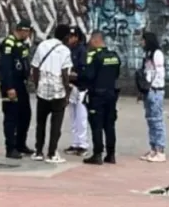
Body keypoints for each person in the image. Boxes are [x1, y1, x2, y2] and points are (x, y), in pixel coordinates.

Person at [31, 25, 74, 164]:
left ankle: (38, 152)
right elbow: (65, 74)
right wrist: (67, 92)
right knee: (56, 125)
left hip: (43, 89)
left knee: (41, 123)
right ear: (66, 36)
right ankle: (51, 153)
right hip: (58, 92)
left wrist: (37, 85)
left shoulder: (43, 45)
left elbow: (35, 68)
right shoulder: (65, 50)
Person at [77, 32, 121, 165]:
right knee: (110, 125)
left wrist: (78, 80)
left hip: (97, 95)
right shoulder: (114, 56)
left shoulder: (94, 56)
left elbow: (88, 76)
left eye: (91, 40)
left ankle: (97, 155)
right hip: (111, 94)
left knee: (96, 125)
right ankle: (111, 154)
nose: (89, 42)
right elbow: (116, 74)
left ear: (96, 40)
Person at [0, 20, 33, 160]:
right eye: (27, 32)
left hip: (21, 84)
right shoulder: (9, 43)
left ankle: (20, 144)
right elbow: (6, 68)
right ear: (21, 30)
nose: (28, 34)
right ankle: (10, 148)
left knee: (25, 114)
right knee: (11, 117)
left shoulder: (23, 43)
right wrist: (9, 87)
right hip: (11, 85)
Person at [140, 31, 167, 163]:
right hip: (148, 89)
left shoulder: (157, 54)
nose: (141, 43)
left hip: (155, 90)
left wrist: (152, 86)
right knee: (150, 120)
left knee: (157, 120)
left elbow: (159, 73)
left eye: (143, 40)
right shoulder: (147, 54)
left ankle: (160, 150)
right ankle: (153, 148)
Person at [64, 29, 90, 156]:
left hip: (81, 88)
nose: (70, 38)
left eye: (73, 36)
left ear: (78, 38)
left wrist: (73, 75)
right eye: (69, 36)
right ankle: (75, 143)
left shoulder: (82, 51)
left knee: (81, 117)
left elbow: (83, 71)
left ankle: (83, 144)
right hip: (71, 87)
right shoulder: (69, 50)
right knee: (73, 117)